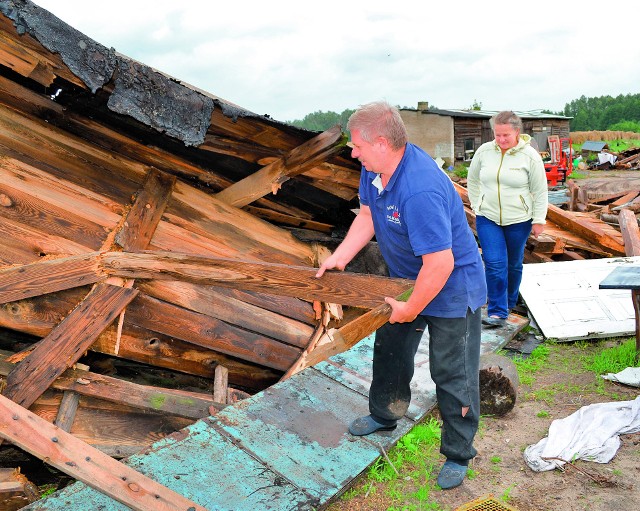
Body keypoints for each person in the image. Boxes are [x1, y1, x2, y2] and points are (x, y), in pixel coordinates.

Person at [315, 101, 487, 490]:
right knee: (390, 351)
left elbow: (440, 264)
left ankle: (458, 453)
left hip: (452, 288)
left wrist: (411, 308)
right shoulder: (375, 171)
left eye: (357, 145)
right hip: (405, 280)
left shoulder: (418, 189)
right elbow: (367, 216)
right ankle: (385, 413)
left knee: (452, 371)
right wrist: (338, 258)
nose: (353, 152)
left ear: (380, 142)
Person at [467, 111, 548, 327]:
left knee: (513, 264)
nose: (501, 140)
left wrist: (539, 219)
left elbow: (540, 191)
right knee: (494, 263)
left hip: (519, 220)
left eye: (506, 136)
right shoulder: (484, 152)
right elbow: (472, 180)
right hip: (488, 217)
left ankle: (510, 301)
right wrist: (478, 205)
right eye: (497, 135)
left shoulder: (530, 156)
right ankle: (497, 311)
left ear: (517, 133)